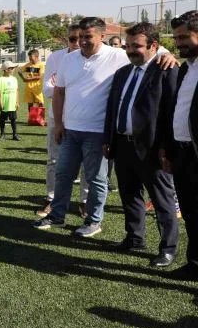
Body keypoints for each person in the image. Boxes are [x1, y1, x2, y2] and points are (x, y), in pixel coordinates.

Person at [34, 17, 176, 236]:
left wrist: (167, 54)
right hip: (70, 130)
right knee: (63, 174)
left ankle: (93, 221)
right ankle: (57, 215)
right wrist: (59, 123)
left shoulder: (118, 55)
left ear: (102, 36)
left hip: (98, 132)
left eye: (88, 37)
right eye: (80, 37)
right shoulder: (68, 59)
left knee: (97, 180)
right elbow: (59, 91)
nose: (82, 41)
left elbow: (151, 48)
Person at [102, 22, 179, 267]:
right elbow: (112, 109)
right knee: (129, 194)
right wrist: (108, 139)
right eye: (128, 45)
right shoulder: (122, 73)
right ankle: (135, 237)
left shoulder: (167, 70)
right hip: (123, 145)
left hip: (153, 148)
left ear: (154, 46)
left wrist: (167, 148)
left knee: (162, 200)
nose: (130, 50)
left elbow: (171, 113)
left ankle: (168, 248)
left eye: (137, 46)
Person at [163, 10, 198, 280]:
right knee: (191, 212)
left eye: (185, 36)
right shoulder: (186, 67)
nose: (179, 42)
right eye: (176, 38)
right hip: (183, 152)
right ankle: (195, 264)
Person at [38, 26, 85, 216]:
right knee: (54, 161)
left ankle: (84, 201)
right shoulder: (56, 58)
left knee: (87, 165)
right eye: (72, 39)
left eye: (81, 38)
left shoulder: (99, 57)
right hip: (57, 117)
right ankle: (52, 198)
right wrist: (68, 89)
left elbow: (146, 47)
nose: (77, 43)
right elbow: (48, 90)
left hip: (84, 119)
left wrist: (166, 55)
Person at [0, 60, 20, 141]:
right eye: (12, 68)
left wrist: (17, 102)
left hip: (12, 104)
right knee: (2, 120)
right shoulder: (0, 79)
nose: (13, 70)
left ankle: (15, 134)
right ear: (6, 70)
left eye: (13, 68)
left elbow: (16, 91)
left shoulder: (14, 79)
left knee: (13, 119)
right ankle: (2, 134)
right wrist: (0, 103)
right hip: (4, 104)